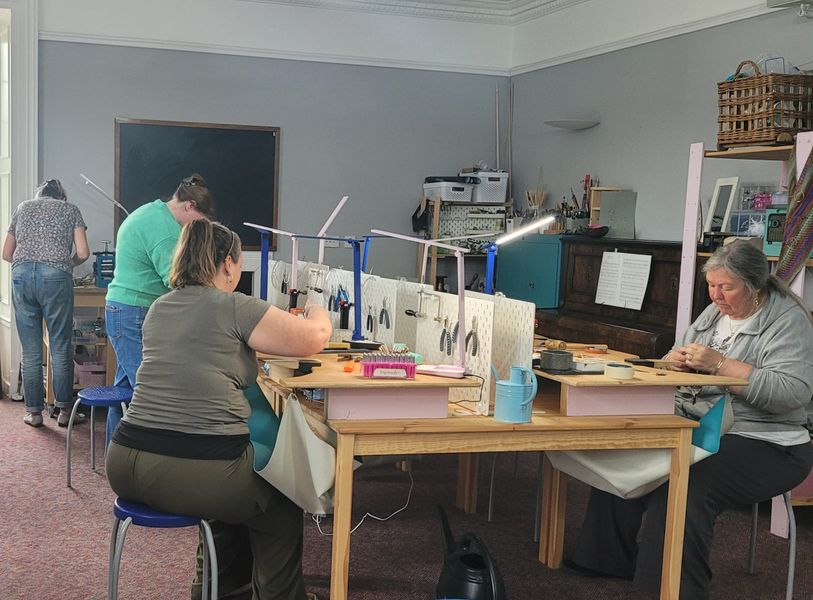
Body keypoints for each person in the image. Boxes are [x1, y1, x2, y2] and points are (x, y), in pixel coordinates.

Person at [568, 240, 813, 599]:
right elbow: (676, 356)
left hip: (770, 442)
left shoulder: (786, 321)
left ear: (755, 285)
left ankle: (672, 590)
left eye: (726, 287)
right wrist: (675, 362)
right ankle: (605, 557)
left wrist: (719, 365)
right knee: (627, 442)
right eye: (711, 285)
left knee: (687, 481)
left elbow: (792, 392)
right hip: (705, 425)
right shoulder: (715, 313)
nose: (716, 295)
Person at [105, 220, 332, 600]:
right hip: (193, 474)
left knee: (232, 487)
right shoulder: (234, 306)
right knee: (280, 497)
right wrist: (317, 309)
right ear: (228, 264)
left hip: (125, 462)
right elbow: (314, 339)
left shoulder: (160, 308)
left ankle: (219, 590)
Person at [105, 173, 216, 442]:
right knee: (150, 395)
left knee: (124, 391)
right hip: (133, 313)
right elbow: (176, 280)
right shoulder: (166, 231)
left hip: (124, 311)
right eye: (199, 220)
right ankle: (145, 465)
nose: (197, 228)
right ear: (189, 206)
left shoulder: (153, 210)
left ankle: (115, 459)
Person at [2, 179, 90, 427]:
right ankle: (64, 412)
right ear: (61, 196)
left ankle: (34, 413)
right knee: (60, 345)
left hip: (21, 277)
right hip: (56, 278)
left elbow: (6, 253)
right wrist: (64, 265)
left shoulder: (22, 208)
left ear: (39, 195)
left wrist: (30, 264)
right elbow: (83, 253)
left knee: (30, 349)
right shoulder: (70, 209)